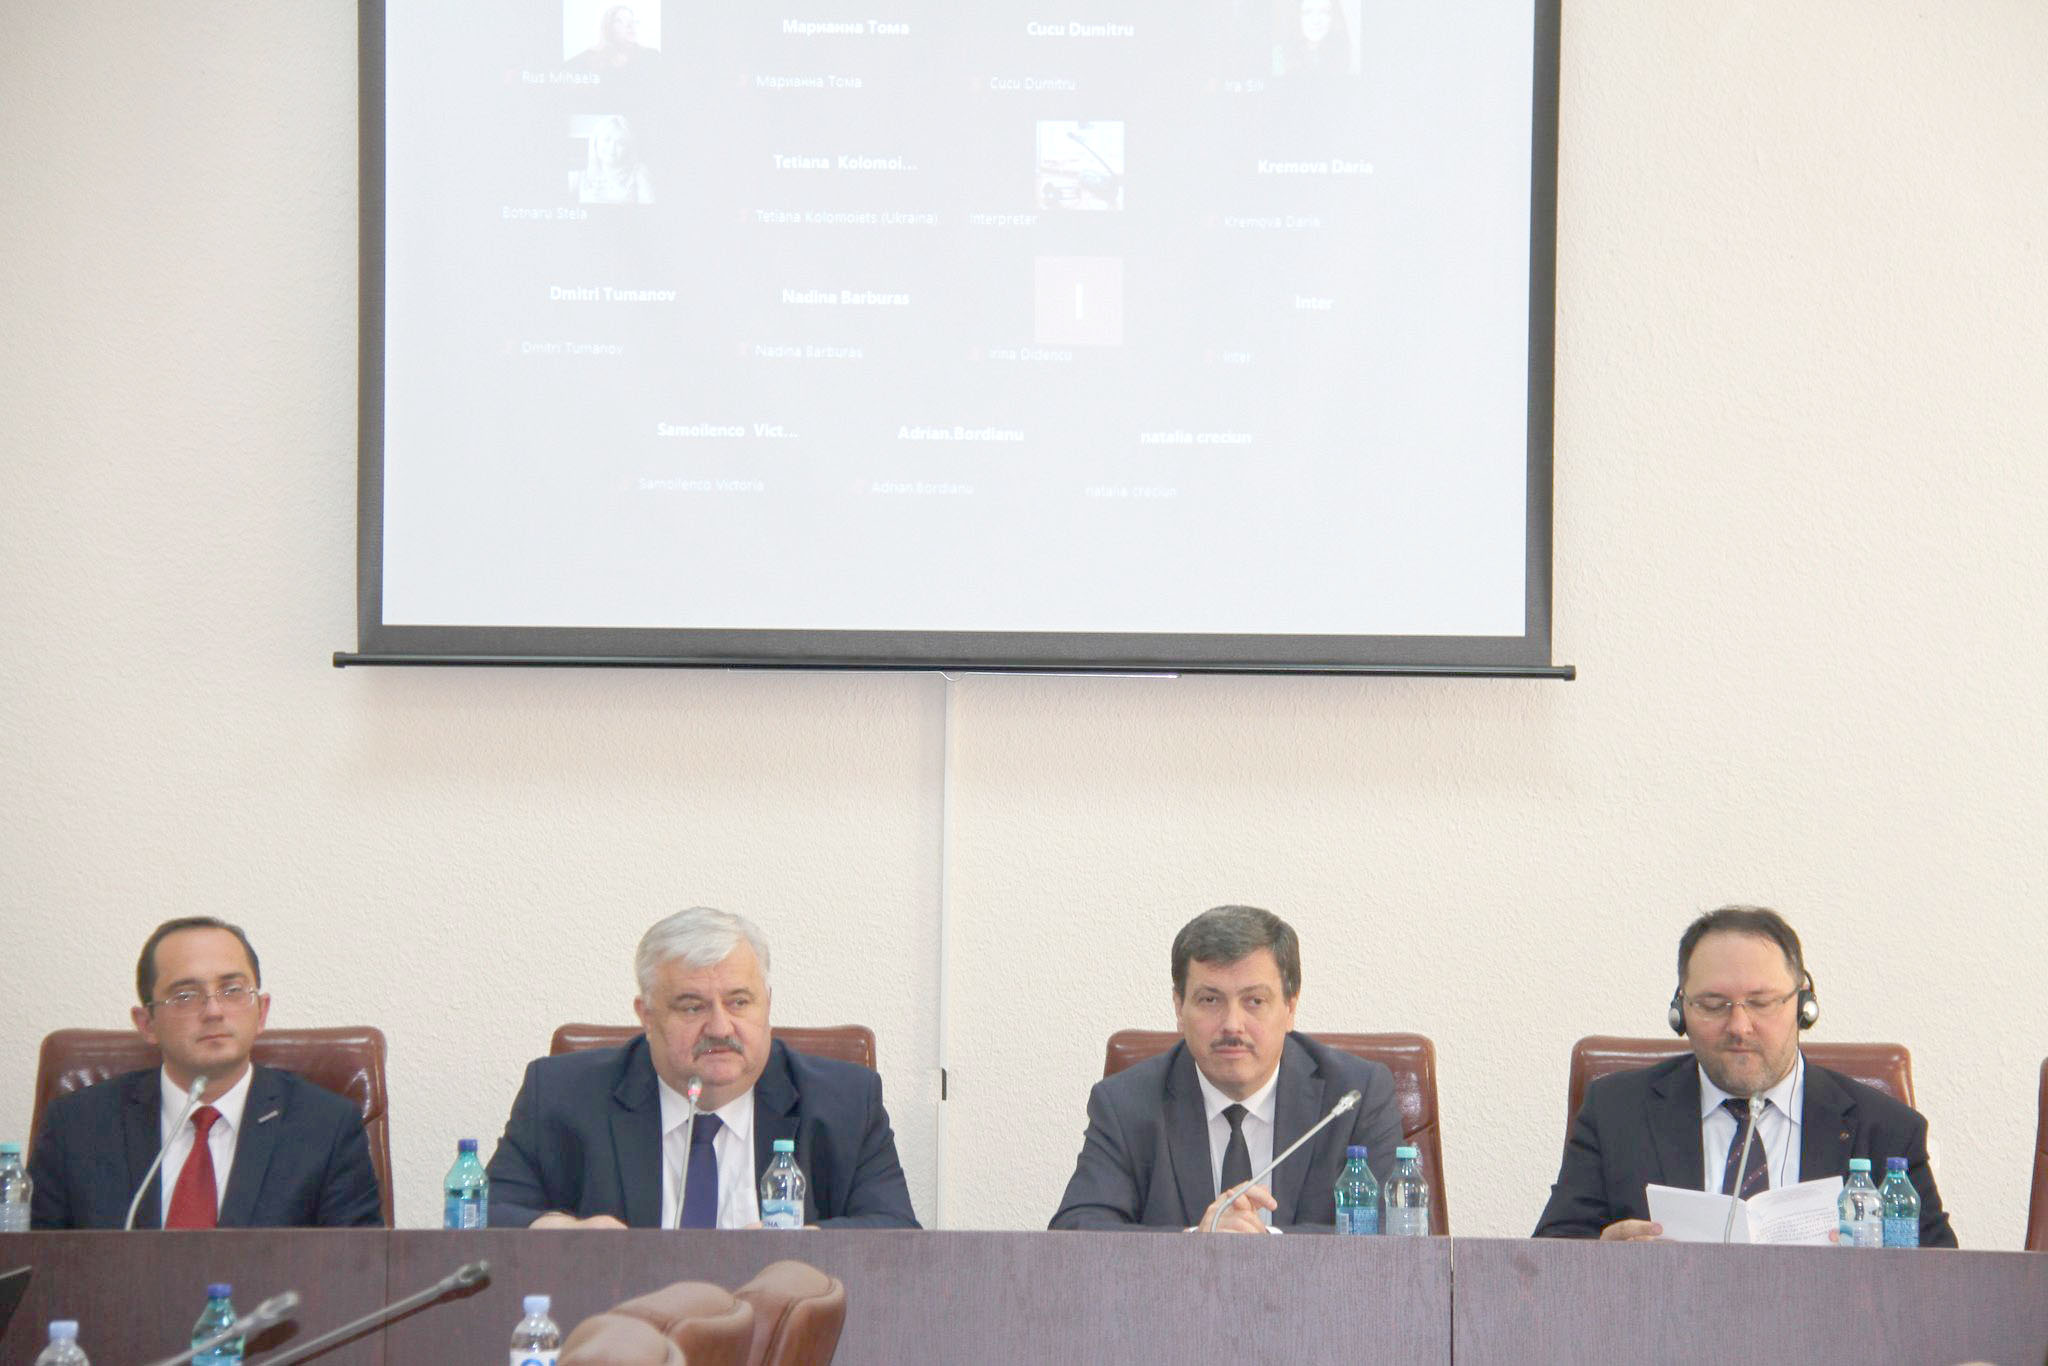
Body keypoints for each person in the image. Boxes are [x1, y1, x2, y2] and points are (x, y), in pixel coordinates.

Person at [1533, 905, 1956, 1246]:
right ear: (1680, 1012)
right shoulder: (1616, 1113)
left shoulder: (1886, 1130)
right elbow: (1547, 1262)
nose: (1739, 1027)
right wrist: (1602, 1256)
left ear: (1803, 1006)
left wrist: (1869, 1273)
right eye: (1713, 1004)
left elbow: (1940, 1286)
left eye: (1761, 1002)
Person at [485, 906, 919, 1229]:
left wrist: (805, 1246)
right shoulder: (561, 1095)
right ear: (647, 1016)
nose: (720, 1027)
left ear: (767, 1004)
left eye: (739, 1002)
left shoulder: (845, 1103)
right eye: (692, 1007)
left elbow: (896, 1232)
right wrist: (556, 1231)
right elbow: (481, 1217)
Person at [1050, 904, 1403, 1233]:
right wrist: (1195, 1241)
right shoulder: (1126, 1104)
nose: (1232, 1024)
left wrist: (1265, 1243)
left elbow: (1395, 1236)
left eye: (1255, 1001)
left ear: (1290, 1008)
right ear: (1179, 1007)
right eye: (1210, 1000)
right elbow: (1076, 1234)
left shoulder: (1354, 1097)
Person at [29, 917, 383, 1229]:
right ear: (146, 1023)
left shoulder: (326, 1128)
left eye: (232, 990)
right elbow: (35, 1266)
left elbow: (356, 1269)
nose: (214, 1011)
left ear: (261, 1012)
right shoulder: (76, 1128)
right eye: (185, 995)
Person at [576, 115, 654, 205]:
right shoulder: (582, 174)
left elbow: (650, 210)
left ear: (628, 148)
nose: (612, 148)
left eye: (620, 143)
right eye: (607, 140)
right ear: (595, 142)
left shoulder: (638, 172)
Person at [568, 4, 659, 75]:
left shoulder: (651, 56)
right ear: (608, 28)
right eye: (620, 21)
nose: (630, 26)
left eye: (632, 21)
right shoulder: (589, 59)